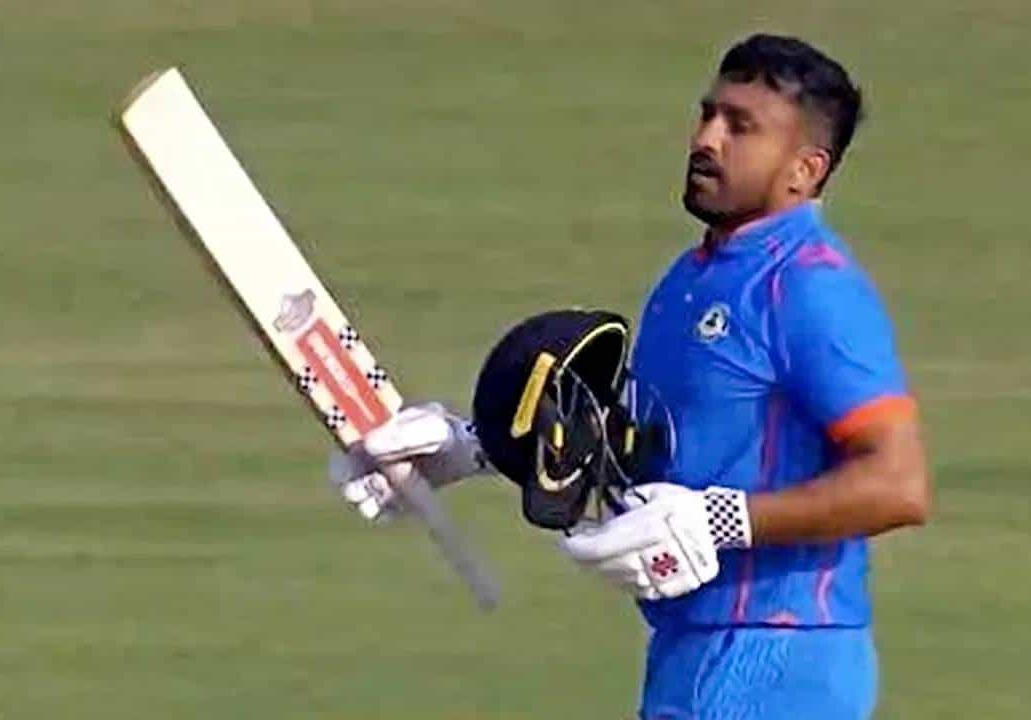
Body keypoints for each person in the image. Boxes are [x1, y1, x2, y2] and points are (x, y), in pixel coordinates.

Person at [332, 34, 931, 720]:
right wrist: (477, 447)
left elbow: (898, 485)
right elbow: (636, 443)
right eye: (708, 114)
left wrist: (720, 520)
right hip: (692, 651)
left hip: (780, 653)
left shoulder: (811, 289)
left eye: (741, 127)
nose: (706, 139)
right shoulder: (692, 279)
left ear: (804, 169)